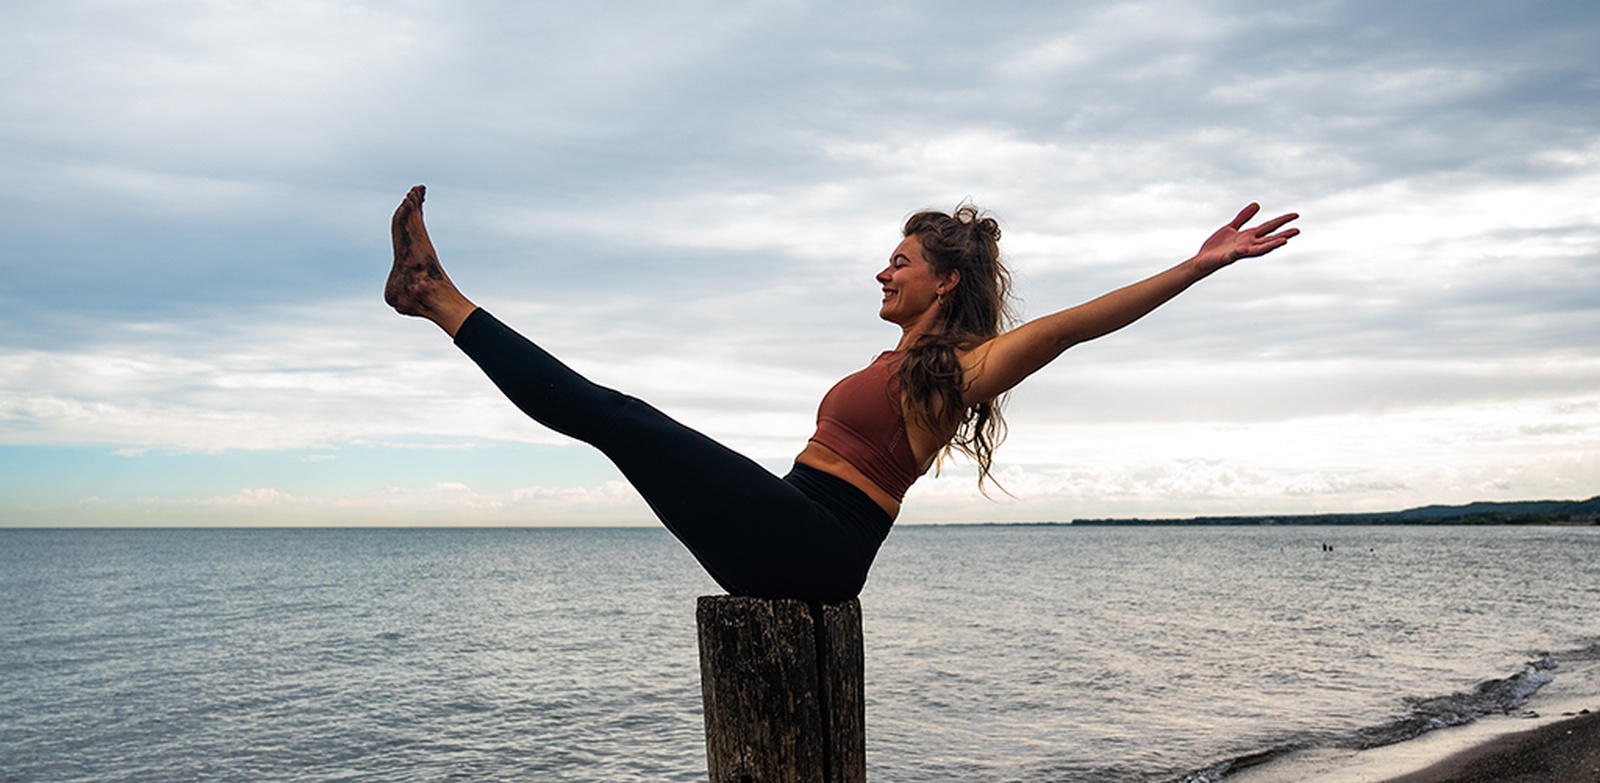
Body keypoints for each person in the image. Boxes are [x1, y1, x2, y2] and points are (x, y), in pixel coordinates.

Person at [385, 185, 1298, 600]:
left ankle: (434, 296)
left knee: (616, 418)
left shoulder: (958, 374)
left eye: (898, 261)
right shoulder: (885, 366)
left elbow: (1074, 325)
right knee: (614, 425)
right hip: (795, 524)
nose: (880, 272)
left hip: (822, 543)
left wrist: (1199, 264)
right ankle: (434, 298)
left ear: (944, 281)